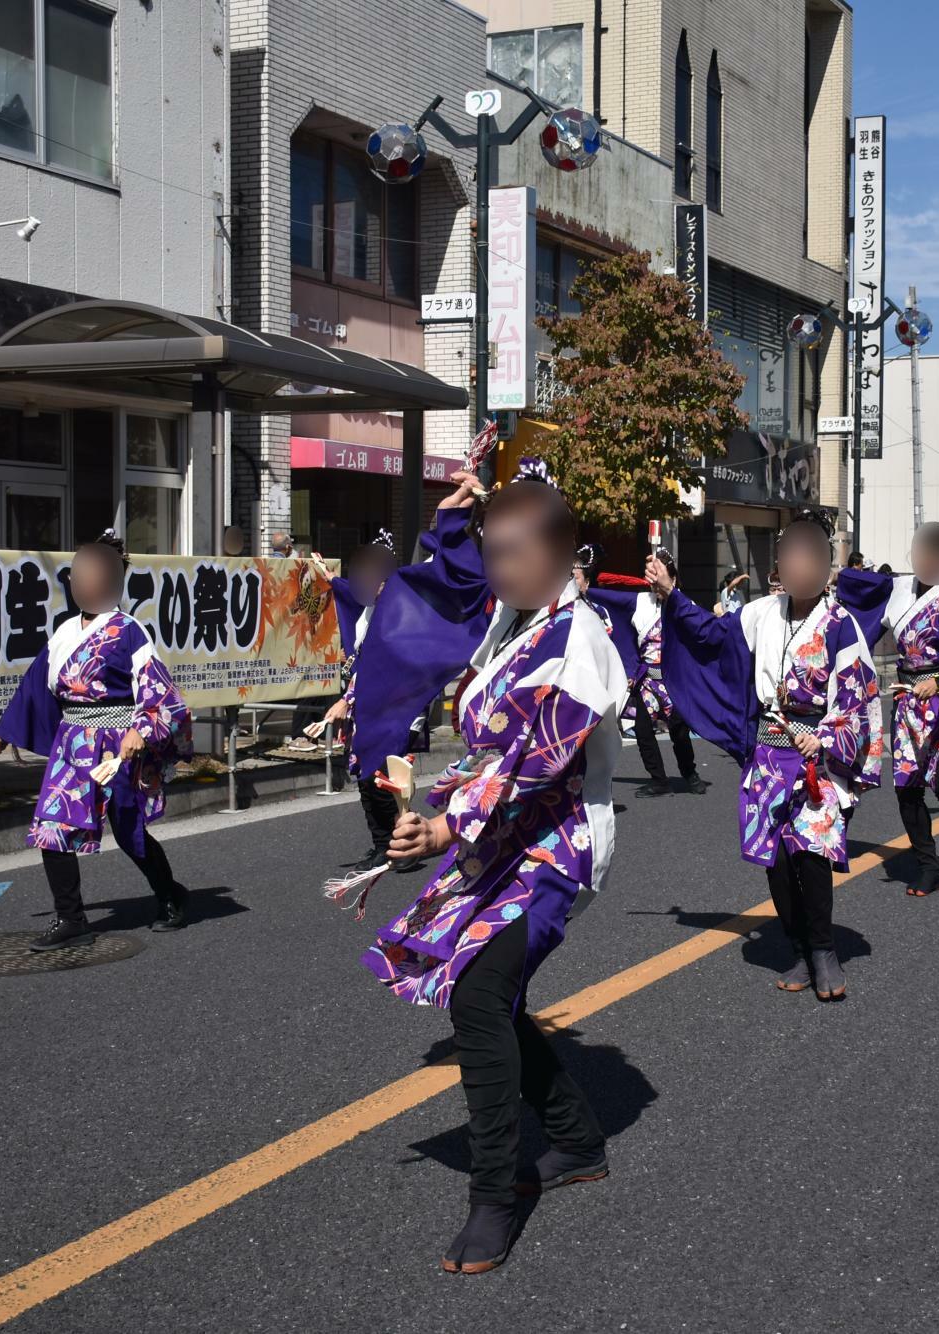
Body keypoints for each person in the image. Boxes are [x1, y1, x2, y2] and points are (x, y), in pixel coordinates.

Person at [365, 464, 625, 1275]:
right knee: (492, 997)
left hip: (555, 844)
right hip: (497, 835)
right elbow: (435, 612)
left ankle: (495, 1194)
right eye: (491, 550)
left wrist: (446, 827)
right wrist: (446, 529)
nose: (500, 566)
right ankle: (578, 1140)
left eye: (516, 552)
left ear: (561, 552)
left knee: (478, 995)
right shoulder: (509, 620)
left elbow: (536, 764)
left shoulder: (579, 641)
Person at [652, 510, 884, 1001]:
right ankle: (799, 947)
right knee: (776, 861)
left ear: (824, 567)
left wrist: (824, 737)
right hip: (767, 755)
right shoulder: (760, 613)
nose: (799, 566)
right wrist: (673, 594)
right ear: (779, 564)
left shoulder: (841, 627)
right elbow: (711, 637)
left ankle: (824, 950)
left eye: (810, 556)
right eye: (790, 556)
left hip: (815, 762)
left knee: (812, 857)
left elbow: (858, 697)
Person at [0, 532, 194, 949]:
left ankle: (170, 895)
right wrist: (4, 729)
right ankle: (71, 918)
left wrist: (142, 729)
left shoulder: (128, 631)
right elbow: (36, 685)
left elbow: (159, 691)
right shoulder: (65, 631)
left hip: (117, 742)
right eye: (78, 576)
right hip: (73, 742)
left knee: (127, 829)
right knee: (53, 825)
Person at [838, 521, 939, 896]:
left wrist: (935, 682)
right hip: (907, 699)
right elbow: (860, 597)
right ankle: (928, 865)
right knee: (908, 788)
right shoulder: (899, 588)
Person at [307, 533, 410, 871]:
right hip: (363, 706)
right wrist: (327, 575)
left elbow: (380, 667)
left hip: (387, 706)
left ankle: (401, 846)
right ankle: (382, 843)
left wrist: (345, 702)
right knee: (365, 777)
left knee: (382, 779)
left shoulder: (396, 614)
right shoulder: (368, 608)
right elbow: (346, 593)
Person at [626, 550, 706, 798]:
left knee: (680, 732)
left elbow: (698, 640)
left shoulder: (684, 604)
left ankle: (690, 773)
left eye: (657, 573)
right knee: (642, 730)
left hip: (674, 681)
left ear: (670, 575)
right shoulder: (640, 602)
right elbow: (627, 636)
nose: (652, 580)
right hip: (648, 680)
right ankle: (658, 779)